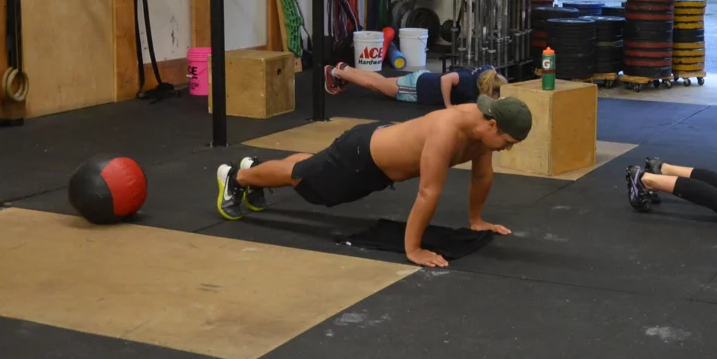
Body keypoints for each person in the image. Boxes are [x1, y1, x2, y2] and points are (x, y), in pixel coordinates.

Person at [215, 95, 533, 268]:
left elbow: (482, 175)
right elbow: (427, 192)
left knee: (311, 169)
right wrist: (413, 249)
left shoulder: (482, 134)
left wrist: (476, 220)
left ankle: (255, 170)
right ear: (493, 124)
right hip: (360, 157)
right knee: (308, 184)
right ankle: (237, 176)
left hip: (374, 153)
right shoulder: (447, 131)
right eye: (508, 141)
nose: (508, 148)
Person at [326, 61, 505, 110]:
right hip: (417, 88)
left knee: (380, 81)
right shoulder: (467, 82)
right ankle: (335, 73)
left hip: (423, 79)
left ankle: (347, 69)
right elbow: (446, 80)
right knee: (376, 85)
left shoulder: (488, 72)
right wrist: (448, 105)